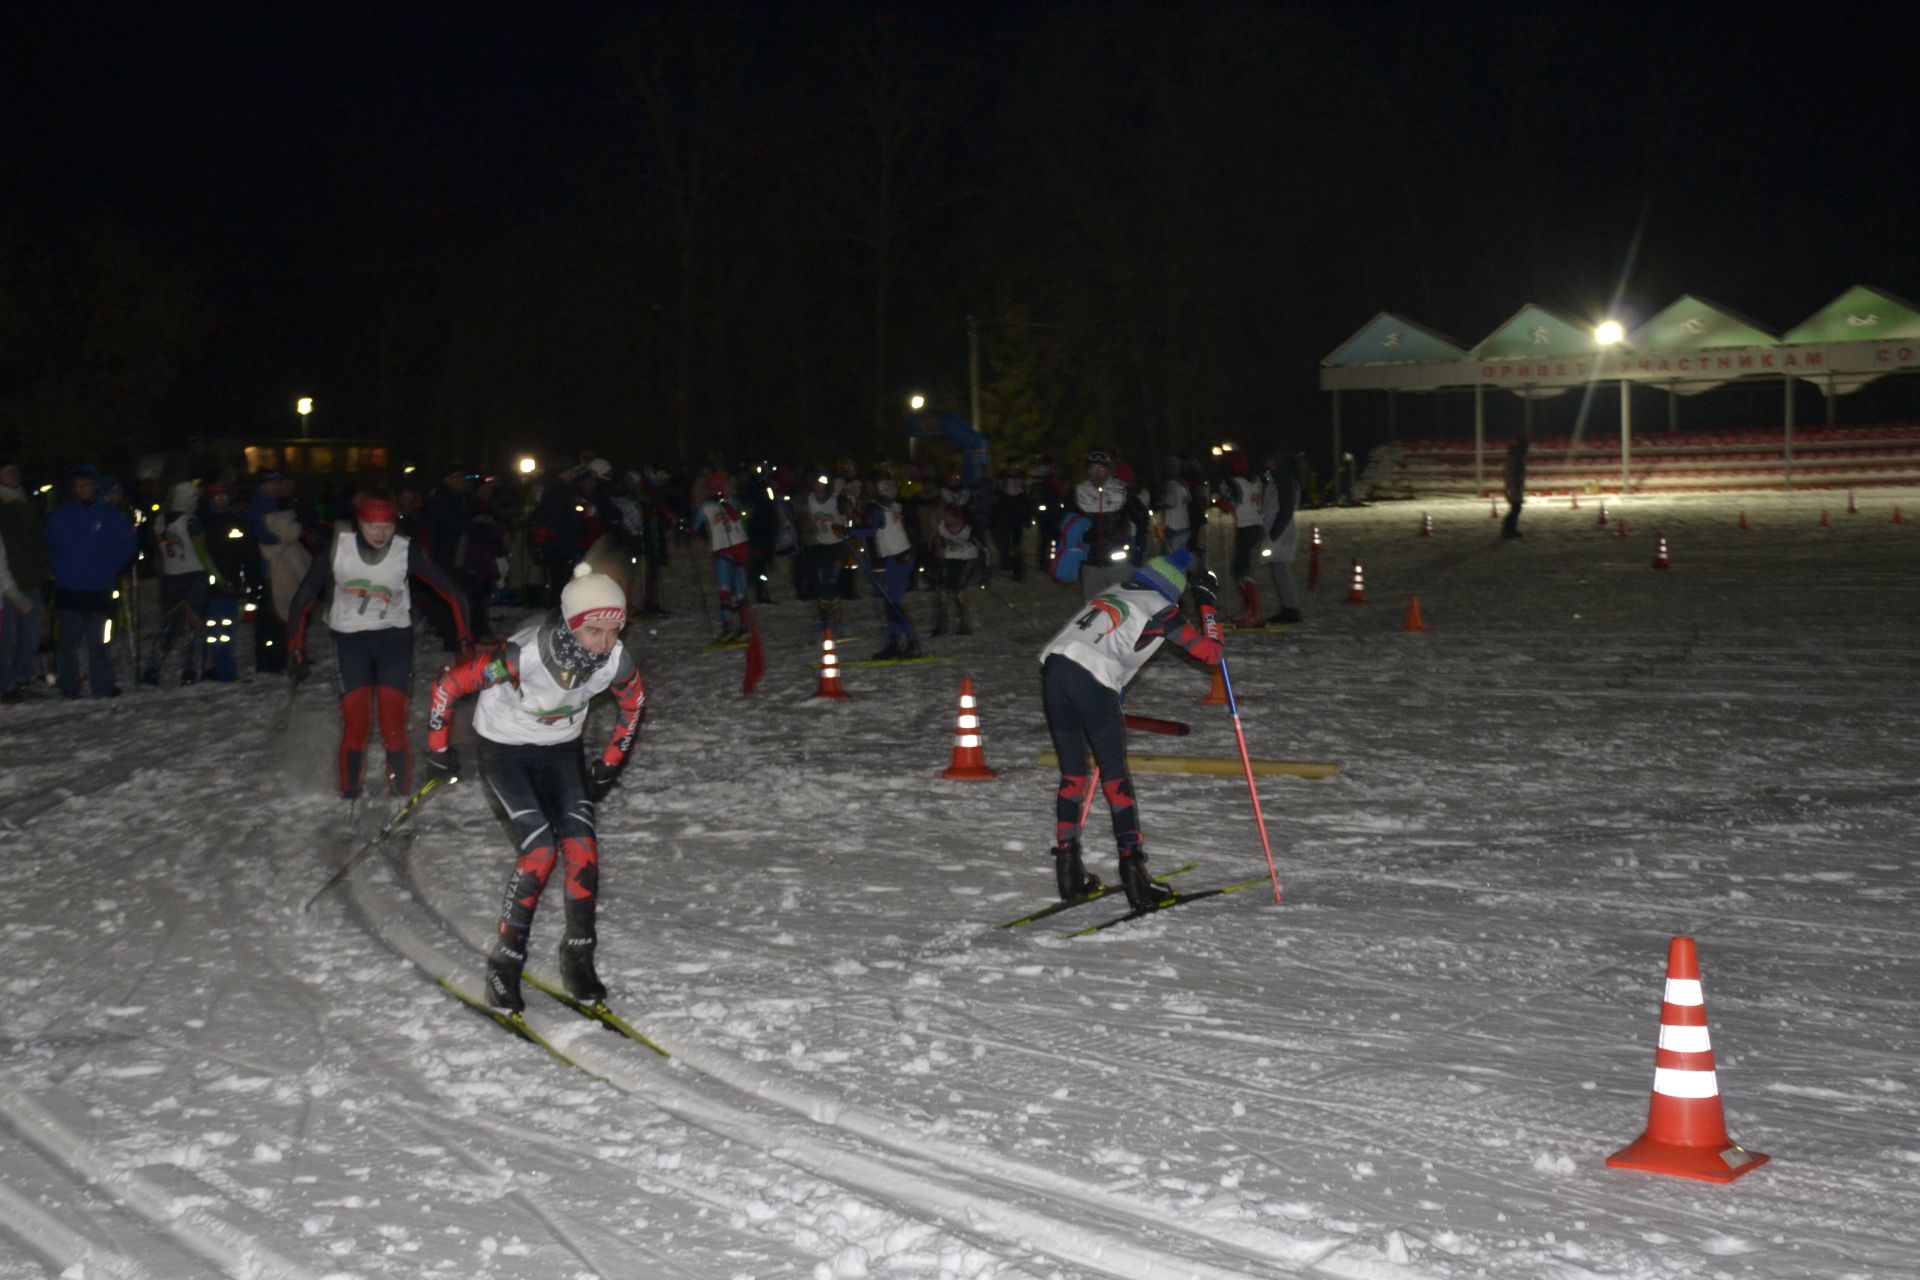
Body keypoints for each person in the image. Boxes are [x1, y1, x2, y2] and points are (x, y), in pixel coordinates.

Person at [425, 562, 646, 1012]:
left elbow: (634, 705)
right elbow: (449, 686)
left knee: (583, 847)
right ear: (570, 626)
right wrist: (438, 748)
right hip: (505, 751)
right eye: (594, 632)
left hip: (560, 751)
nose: (604, 644)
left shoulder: (615, 659)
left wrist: (610, 763)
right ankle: (505, 965)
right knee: (540, 851)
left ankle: (578, 956)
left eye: (613, 631)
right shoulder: (521, 656)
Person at [1040, 548, 1222, 908]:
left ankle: (1069, 872)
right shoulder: (1160, 608)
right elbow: (1211, 654)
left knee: (1073, 776)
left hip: (1053, 670)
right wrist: (1208, 606)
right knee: (1115, 778)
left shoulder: (1115, 590)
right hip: (1089, 677)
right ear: (1172, 591)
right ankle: (1134, 877)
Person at [285, 489, 472, 815]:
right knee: (357, 724)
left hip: (393, 642)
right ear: (359, 524)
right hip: (350, 642)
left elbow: (454, 593)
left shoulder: (406, 551)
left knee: (393, 724)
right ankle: (349, 797)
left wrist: (465, 639)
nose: (381, 533)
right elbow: (303, 599)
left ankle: (399, 795)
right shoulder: (337, 549)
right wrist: (295, 645)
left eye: (387, 526)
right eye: (373, 526)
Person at [44, 466, 136, 699]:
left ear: (95, 486)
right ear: (73, 489)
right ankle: (69, 686)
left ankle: (103, 686)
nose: (84, 489)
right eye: (79, 485)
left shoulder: (111, 516)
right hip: (69, 589)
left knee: (101, 642)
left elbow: (127, 547)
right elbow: (47, 547)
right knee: (67, 643)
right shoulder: (60, 517)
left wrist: (109, 568)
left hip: (100, 590)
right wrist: (59, 569)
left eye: (88, 484)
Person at [140, 480, 229, 686]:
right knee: (194, 624)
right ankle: (189, 671)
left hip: (171, 577)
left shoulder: (160, 522)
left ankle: (152, 669)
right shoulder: (191, 521)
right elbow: (202, 553)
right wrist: (219, 578)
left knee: (170, 626)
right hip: (194, 576)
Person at [0, 457, 51, 702]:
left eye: (15, 471)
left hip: (31, 578)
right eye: (8, 472)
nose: (14, 476)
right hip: (6, 581)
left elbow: (37, 540)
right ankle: (6, 685)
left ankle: (23, 679)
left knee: (30, 635)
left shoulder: (27, 502)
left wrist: (44, 571)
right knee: (7, 636)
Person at [852, 473, 919, 659]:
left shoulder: (878, 508)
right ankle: (895, 642)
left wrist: (848, 531)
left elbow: (871, 531)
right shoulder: (891, 506)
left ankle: (908, 643)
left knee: (892, 604)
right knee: (890, 604)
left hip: (899, 558)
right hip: (898, 556)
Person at [1069, 448, 1143, 600]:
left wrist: (1138, 547)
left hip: (1118, 561)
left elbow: (1141, 518)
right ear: (1088, 470)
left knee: (1122, 604)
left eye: (1101, 468)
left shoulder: (1122, 491)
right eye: (1093, 468)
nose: (1097, 472)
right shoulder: (1078, 492)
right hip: (1090, 561)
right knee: (1092, 605)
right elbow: (1067, 522)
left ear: (1109, 470)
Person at [689, 472, 751, 641]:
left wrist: (725, 503)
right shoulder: (706, 507)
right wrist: (689, 531)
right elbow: (695, 526)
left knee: (740, 591)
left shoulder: (734, 502)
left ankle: (744, 627)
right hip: (721, 552)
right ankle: (727, 627)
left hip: (739, 550)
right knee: (724, 591)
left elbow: (738, 516)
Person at [246, 470, 296, 673]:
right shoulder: (261, 506)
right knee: (272, 615)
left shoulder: (269, 504)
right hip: (268, 569)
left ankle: (273, 658)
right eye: (274, 483)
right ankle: (271, 660)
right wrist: (285, 537)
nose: (277, 487)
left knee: (273, 614)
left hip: (273, 567)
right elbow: (264, 536)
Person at [1218, 450, 1266, 627]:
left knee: (1241, 569)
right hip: (1256, 525)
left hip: (1246, 527)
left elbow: (1229, 506)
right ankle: (1249, 608)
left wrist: (1218, 499)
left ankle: (1255, 610)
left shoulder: (1236, 482)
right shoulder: (1256, 480)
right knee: (1240, 568)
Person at [1262, 449, 1304, 626]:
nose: (1268, 465)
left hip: (1281, 531)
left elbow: (1285, 511)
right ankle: (1287, 606)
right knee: (1279, 569)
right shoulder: (1276, 479)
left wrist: (1273, 535)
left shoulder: (1284, 481)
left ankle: (1291, 609)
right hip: (1277, 529)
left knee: (1282, 569)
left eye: (1271, 461)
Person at [931, 503, 981, 636]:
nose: (945, 519)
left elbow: (980, 547)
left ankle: (965, 625)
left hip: (966, 560)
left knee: (959, 592)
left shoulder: (968, 530)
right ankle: (941, 626)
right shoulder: (941, 528)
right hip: (949, 560)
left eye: (949, 516)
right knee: (942, 593)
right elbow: (937, 546)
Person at [1502, 438, 1529, 539]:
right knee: (1516, 509)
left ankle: (1510, 529)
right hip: (1514, 487)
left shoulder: (1515, 459)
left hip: (1516, 486)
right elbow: (1513, 474)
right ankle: (1508, 530)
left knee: (1516, 509)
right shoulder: (1515, 459)